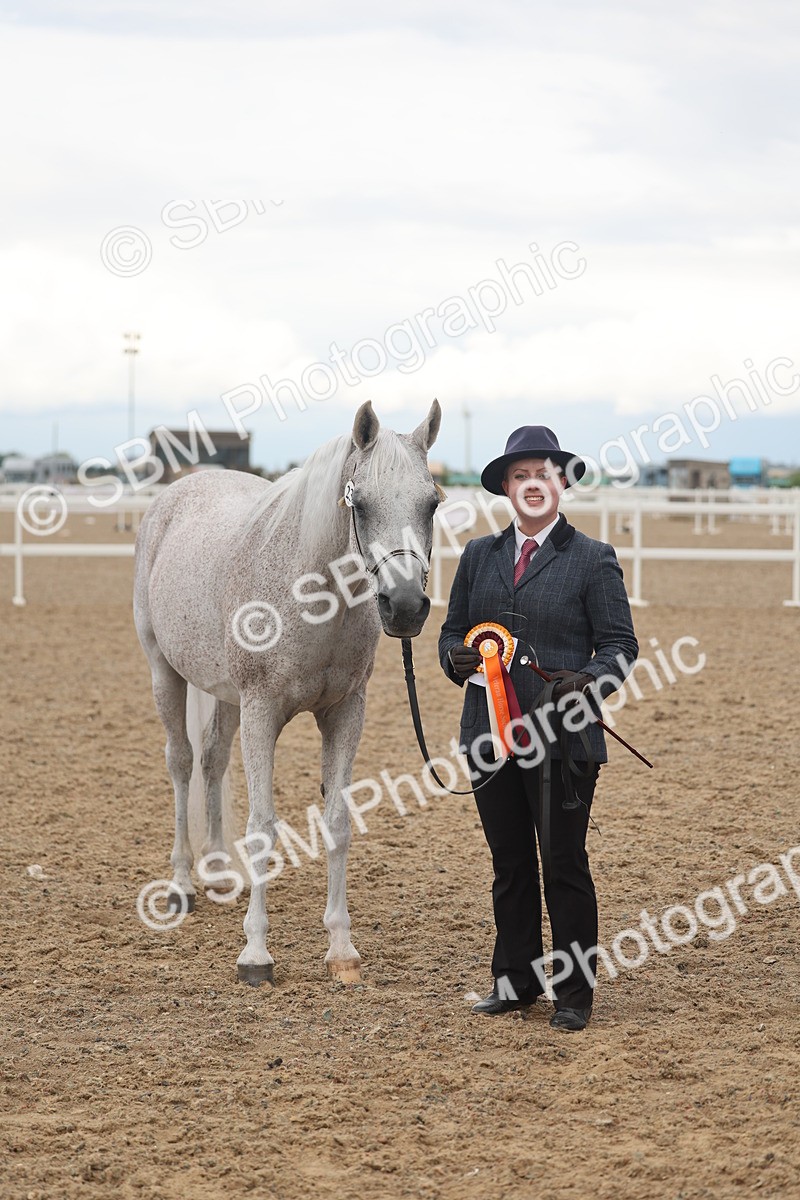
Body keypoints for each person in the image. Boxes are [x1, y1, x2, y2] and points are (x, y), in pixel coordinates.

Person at [438, 425, 638, 1031]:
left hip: (563, 738)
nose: (532, 484)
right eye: (520, 475)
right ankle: (515, 982)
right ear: (505, 486)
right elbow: (452, 637)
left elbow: (620, 646)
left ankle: (574, 993)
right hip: (489, 734)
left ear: (561, 484)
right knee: (510, 864)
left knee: (563, 862)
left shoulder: (592, 558)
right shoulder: (478, 556)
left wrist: (589, 681)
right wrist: (458, 659)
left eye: (542, 474)